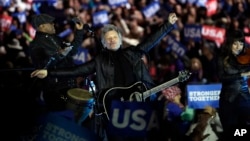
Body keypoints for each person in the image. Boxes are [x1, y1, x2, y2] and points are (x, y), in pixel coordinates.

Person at [30, 12, 178, 141]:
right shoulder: (99, 60)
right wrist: (49, 72)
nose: (112, 39)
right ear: (104, 43)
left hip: (135, 107)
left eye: (114, 36)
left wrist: (168, 24)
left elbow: (150, 42)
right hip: (113, 109)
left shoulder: (132, 53)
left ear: (120, 39)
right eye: (108, 38)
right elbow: (76, 70)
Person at [29, 13, 86, 113]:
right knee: (62, 118)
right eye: (50, 23)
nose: (53, 24)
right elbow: (42, 66)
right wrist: (59, 55)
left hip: (70, 85)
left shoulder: (56, 38)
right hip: (56, 90)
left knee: (74, 117)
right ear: (41, 26)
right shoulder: (35, 45)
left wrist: (79, 32)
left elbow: (72, 51)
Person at [217, 29, 250, 140]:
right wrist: (241, 74)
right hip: (228, 101)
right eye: (235, 43)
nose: (238, 47)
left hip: (245, 101)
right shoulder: (222, 58)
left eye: (241, 43)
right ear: (229, 43)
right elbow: (222, 78)